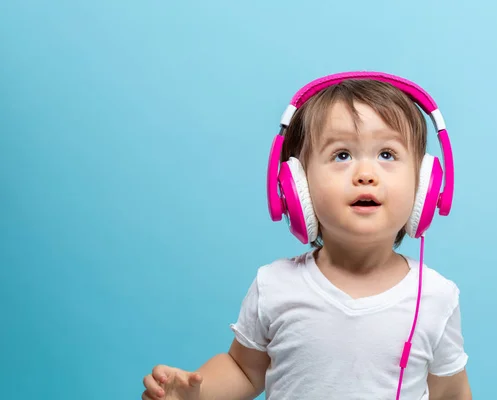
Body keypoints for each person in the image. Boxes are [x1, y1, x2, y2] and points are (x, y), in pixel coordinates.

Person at [141, 72, 472, 400]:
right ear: (295, 186)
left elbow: (450, 392)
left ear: (426, 186)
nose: (366, 175)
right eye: (341, 155)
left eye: (387, 154)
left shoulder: (435, 297)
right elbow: (243, 370)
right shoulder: (275, 286)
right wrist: (194, 394)